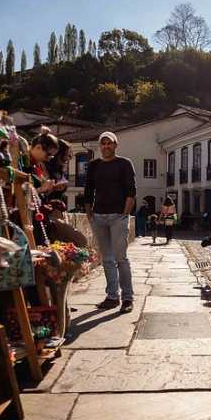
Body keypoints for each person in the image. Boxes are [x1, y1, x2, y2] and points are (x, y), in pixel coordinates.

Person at [84, 131, 136, 314]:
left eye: (109, 143)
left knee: (121, 258)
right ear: (100, 146)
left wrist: (125, 214)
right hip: (99, 217)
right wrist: (90, 213)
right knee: (106, 259)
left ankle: (127, 297)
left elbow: (131, 191)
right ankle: (112, 296)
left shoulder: (124, 164)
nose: (106, 146)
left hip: (118, 217)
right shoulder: (93, 165)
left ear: (115, 145)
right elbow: (88, 190)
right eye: (103, 143)